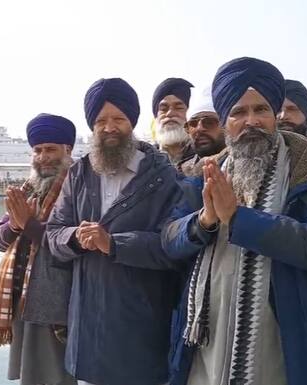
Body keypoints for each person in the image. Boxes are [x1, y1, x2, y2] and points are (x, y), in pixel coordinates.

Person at [161, 57, 307, 385]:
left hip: (286, 348)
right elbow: (169, 238)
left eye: (261, 110)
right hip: (206, 349)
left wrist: (239, 219)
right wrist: (206, 219)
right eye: (238, 112)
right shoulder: (203, 172)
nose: (251, 121)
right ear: (224, 122)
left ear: (275, 114)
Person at [46, 78, 182, 385]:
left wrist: (114, 244)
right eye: (101, 121)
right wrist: (74, 238)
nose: (109, 128)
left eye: (118, 119)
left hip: (141, 329)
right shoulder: (79, 173)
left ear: (131, 122)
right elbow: (53, 234)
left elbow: (174, 245)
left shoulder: (162, 175)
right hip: (89, 333)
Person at [0, 113, 77, 385]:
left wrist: (29, 224)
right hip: (23, 298)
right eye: (37, 150)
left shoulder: (79, 187)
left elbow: (74, 243)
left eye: (50, 150)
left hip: (58, 302)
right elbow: (0, 241)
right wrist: (15, 223)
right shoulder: (27, 189)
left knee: (57, 374)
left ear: (67, 150)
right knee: (32, 375)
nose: (43, 157)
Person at [179, 86, 226, 176]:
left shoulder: (241, 165)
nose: (199, 128)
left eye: (209, 122)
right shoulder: (180, 172)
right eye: (193, 123)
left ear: (226, 125)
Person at [153, 77, 195, 167]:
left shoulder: (205, 156)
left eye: (179, 108)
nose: (170, 113)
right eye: (164, 109)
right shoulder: (145, 160)